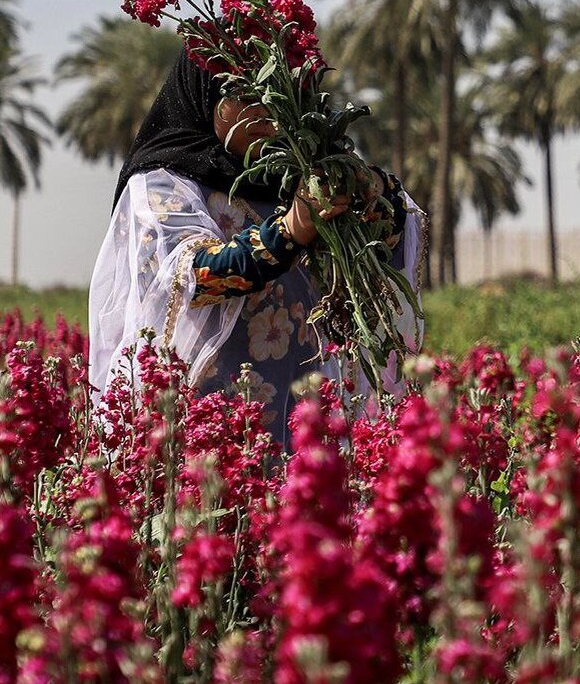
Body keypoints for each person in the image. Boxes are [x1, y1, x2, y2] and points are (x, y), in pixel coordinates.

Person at [88, 49, 425, 446]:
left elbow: (383, 245)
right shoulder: (162, 184)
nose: (266, 110)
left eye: (279, 94)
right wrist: (291, 229)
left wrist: (372, 190)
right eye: (246, 95)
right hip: (210, 412)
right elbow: (194, 275)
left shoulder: (296, 179)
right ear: (206, 97)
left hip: (303, 404)